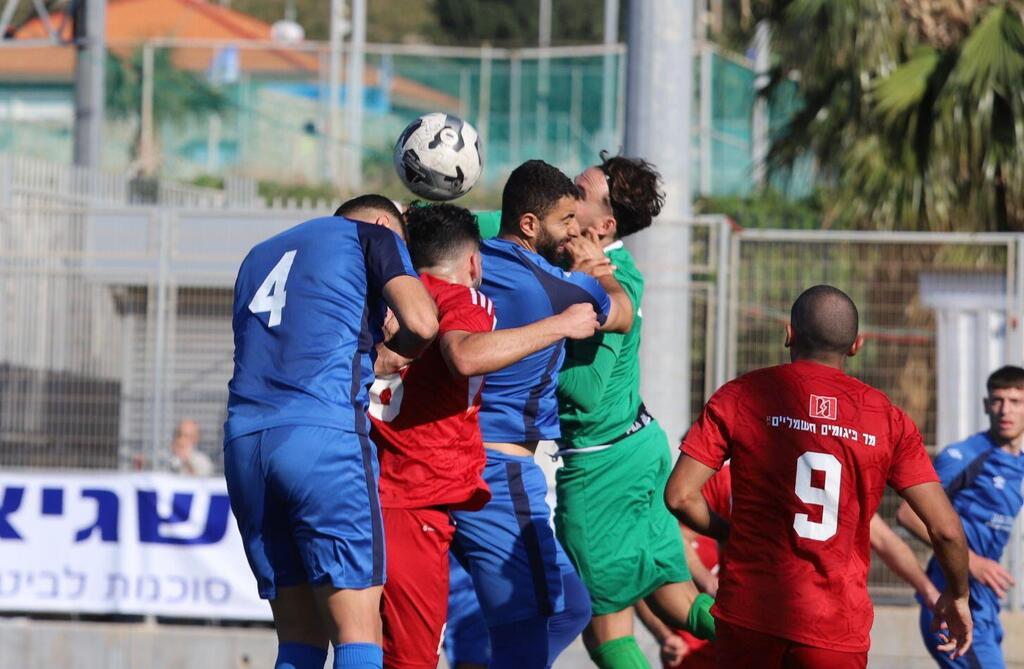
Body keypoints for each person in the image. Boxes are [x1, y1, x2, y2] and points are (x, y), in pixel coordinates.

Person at [665, 284, 973, 668]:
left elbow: (679, 496)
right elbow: (945, 530)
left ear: (789, 334)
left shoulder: (741, 396)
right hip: (835, 626)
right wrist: (957, 594)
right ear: (856, 345)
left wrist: (731, 532)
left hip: (750, 615)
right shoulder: (887, 419)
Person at [368, 202, 599, 668]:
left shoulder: (381, 302)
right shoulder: (462, 298)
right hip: (443, 484)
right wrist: (565, 320)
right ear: (474, 264)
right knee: (528, 621)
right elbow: (465, 356)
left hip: (383, 490)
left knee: (357, 643)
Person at [222, 196, 439, 669]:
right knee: (358, 631)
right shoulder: (375, 236)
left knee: (299, 637)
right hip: (321, 435)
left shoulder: (257, 254)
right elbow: (423, 323)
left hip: (245, 444)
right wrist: (393, 349)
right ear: (385, 223)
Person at [450, 159, 634, 668]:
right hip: (500, 471)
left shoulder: (474, 262)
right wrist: (599, 273)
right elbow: (621, 314)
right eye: (565, 222)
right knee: (527, 628)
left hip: (452, 457)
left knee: (571, 606)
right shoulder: (560, 288)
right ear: (529, 225)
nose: (575, 231)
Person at [554, 152, 715, 669]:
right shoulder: (586, 258)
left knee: (605, 630)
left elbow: (584, 391)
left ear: (603, 225)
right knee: (681, 601)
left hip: (602, 466)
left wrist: (521, 349)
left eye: (577, 190)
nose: (565, 192)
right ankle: (778, 637)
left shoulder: (610, 278)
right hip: (639, 446)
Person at [641, 462, 941, 668]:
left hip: (813, 627)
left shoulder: (825, 476)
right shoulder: (729, 476)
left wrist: (928, 589)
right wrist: (708, 581)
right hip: (773, 625)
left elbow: (886, 540)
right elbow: (680, 530)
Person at [897, 365, 1024, 669]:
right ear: (986, 405)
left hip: (985, 607)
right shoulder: (965, 456)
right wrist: (973, 562)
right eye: (997, 400)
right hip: (952, 603)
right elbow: (908, 513)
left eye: (1015, 401)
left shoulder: (1018, 464)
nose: (1005, 410)